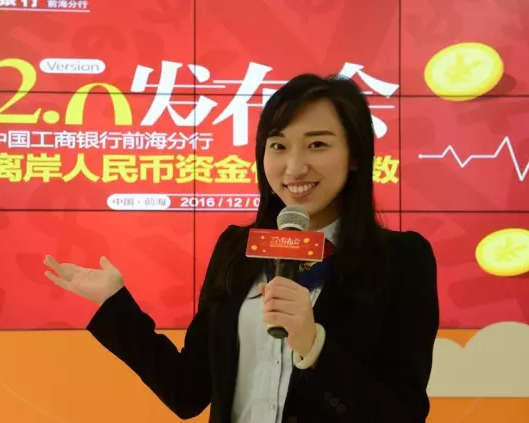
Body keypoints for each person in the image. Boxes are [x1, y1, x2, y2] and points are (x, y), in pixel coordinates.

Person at [44, 74, 440, 423]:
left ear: (355, 155)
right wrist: (115, 305)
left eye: (317, 144)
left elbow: (402, 414)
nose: (294, 167)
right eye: (278, 146)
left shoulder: (402, 260)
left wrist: (313, 345)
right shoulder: (238, 248)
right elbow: (187, 390)